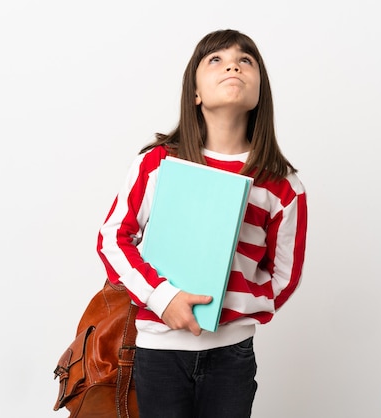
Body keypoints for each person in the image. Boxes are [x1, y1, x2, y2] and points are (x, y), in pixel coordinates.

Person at [96, 28, 308, 418]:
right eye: (216, 59)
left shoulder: (283, 185)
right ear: (195, 93)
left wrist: (235, 309)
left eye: (246, 60)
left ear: (261, 91)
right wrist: (163, 299)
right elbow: (113, 239)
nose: (233, 64)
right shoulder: (158, 163)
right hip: (159, 349)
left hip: (232, 354)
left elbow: (284, 276)